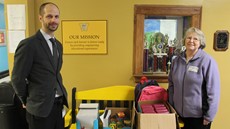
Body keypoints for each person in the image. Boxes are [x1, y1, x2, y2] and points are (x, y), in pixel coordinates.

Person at [11, 2, 68, 129]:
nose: (54, 20)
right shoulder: (29, 45)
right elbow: (17, 78)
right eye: (49, 16)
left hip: (58, 105)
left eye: (56, 16)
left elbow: (54, 73)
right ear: (40, 18)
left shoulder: (58, 45)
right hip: (39, 109)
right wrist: (26, 99)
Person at [168, 27, 220, 129]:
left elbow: (214, 91)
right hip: (177, 114)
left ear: (201, 42)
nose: (191, 41)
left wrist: (209, 116)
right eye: (188, 38)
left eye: (195, 39)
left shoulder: (207, 61)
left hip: (198, 117)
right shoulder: (177, 60)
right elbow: (171, 85)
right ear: (184, 40)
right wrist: (171, 106)